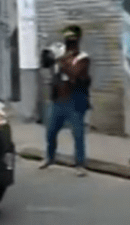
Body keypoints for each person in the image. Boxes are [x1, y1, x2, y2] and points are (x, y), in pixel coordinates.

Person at [39, 25, 91, 177]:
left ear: (78, 41)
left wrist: (62, 61)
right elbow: (45, 64)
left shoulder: (83, 58)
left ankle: (80, 164)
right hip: (58, 101)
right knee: (50, 132)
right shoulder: (59, 57)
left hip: (75, 102)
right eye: (67, 41)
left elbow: (75, 74)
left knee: (78, 134)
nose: (70, 45)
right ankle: (49, 157)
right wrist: (49, 58)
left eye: (72, 41)